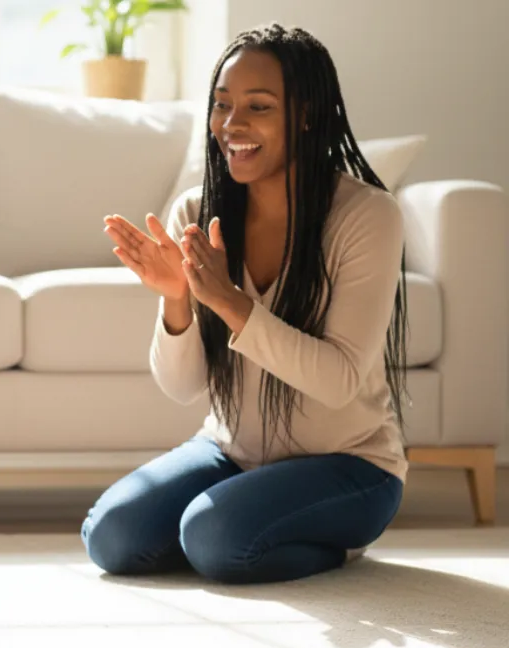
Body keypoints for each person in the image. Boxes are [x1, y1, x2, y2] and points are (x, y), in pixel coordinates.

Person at [86, 22, 409, 584]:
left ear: (306, 115)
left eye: (258, 107)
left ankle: (318, 540)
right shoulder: (197, 210)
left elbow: (338, 380)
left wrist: (234, 304)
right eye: (222, 105)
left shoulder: (366, 217)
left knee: (216, 538)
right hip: (230, 452)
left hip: (350, 466)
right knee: (112, 536)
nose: (231, 125)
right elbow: (184, 388)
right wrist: (177, 302)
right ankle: (241, 519)